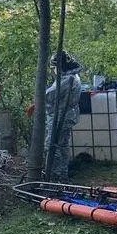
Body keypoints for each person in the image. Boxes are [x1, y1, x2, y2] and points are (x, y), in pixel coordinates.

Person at [44, 51, 82, 182]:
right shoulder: (71, 76)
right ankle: (63, 174)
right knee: (63, 145)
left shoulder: (68, 79)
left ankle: (56, 176)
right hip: (66, 115)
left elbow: (49, 95)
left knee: (52, 145)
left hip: (61, 117)